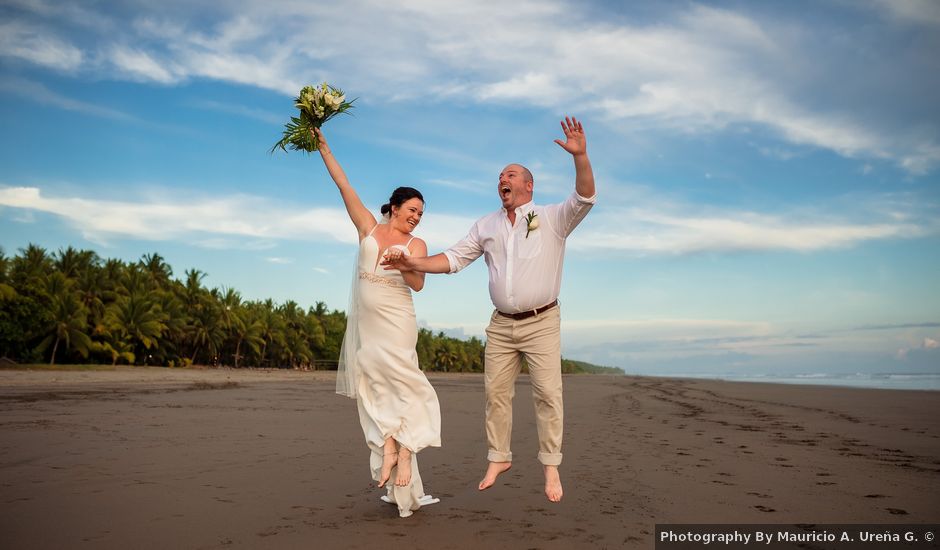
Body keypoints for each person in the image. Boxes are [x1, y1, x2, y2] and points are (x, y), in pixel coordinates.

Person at [383, 116, 596, 503]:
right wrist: (413, 264)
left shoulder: (551, 218)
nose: (504, 178)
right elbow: (452, 259)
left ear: (527, 185)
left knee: (548, 394)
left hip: (542, 320)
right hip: (501, 325)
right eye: (501, 175)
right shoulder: (487, 224)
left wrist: (580, 157)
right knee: (495, 393)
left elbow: (584, 197)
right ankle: (499, 457)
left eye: (511, 174)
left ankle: (551, 466)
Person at [315, 128, 441, 518]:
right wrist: (324, 148)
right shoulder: (368, 228)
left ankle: (404, 454)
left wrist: (404, 264)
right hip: (368, 325)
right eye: (412, 210)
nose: (416, 218)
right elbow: (343, 183)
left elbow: (418, 284)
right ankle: (388, 446)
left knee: (407, 386)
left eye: (421, 214)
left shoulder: (416, 246)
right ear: (395, 206)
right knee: (372, 384)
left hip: (398, 321)